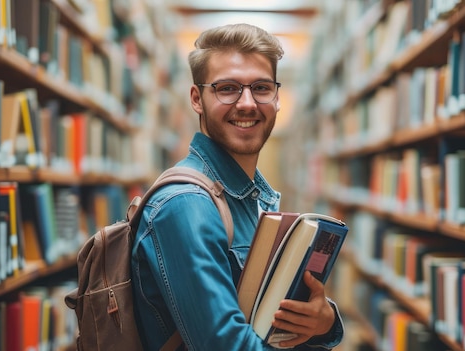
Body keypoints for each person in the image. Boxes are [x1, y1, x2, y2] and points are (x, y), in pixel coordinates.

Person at [131, 23, 344, 350]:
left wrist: (324, 321)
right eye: (227, 88)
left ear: (276, 97)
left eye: (261, 87)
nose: (247, 103)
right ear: (197, 99)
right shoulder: (187, 205)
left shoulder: (252, 199)